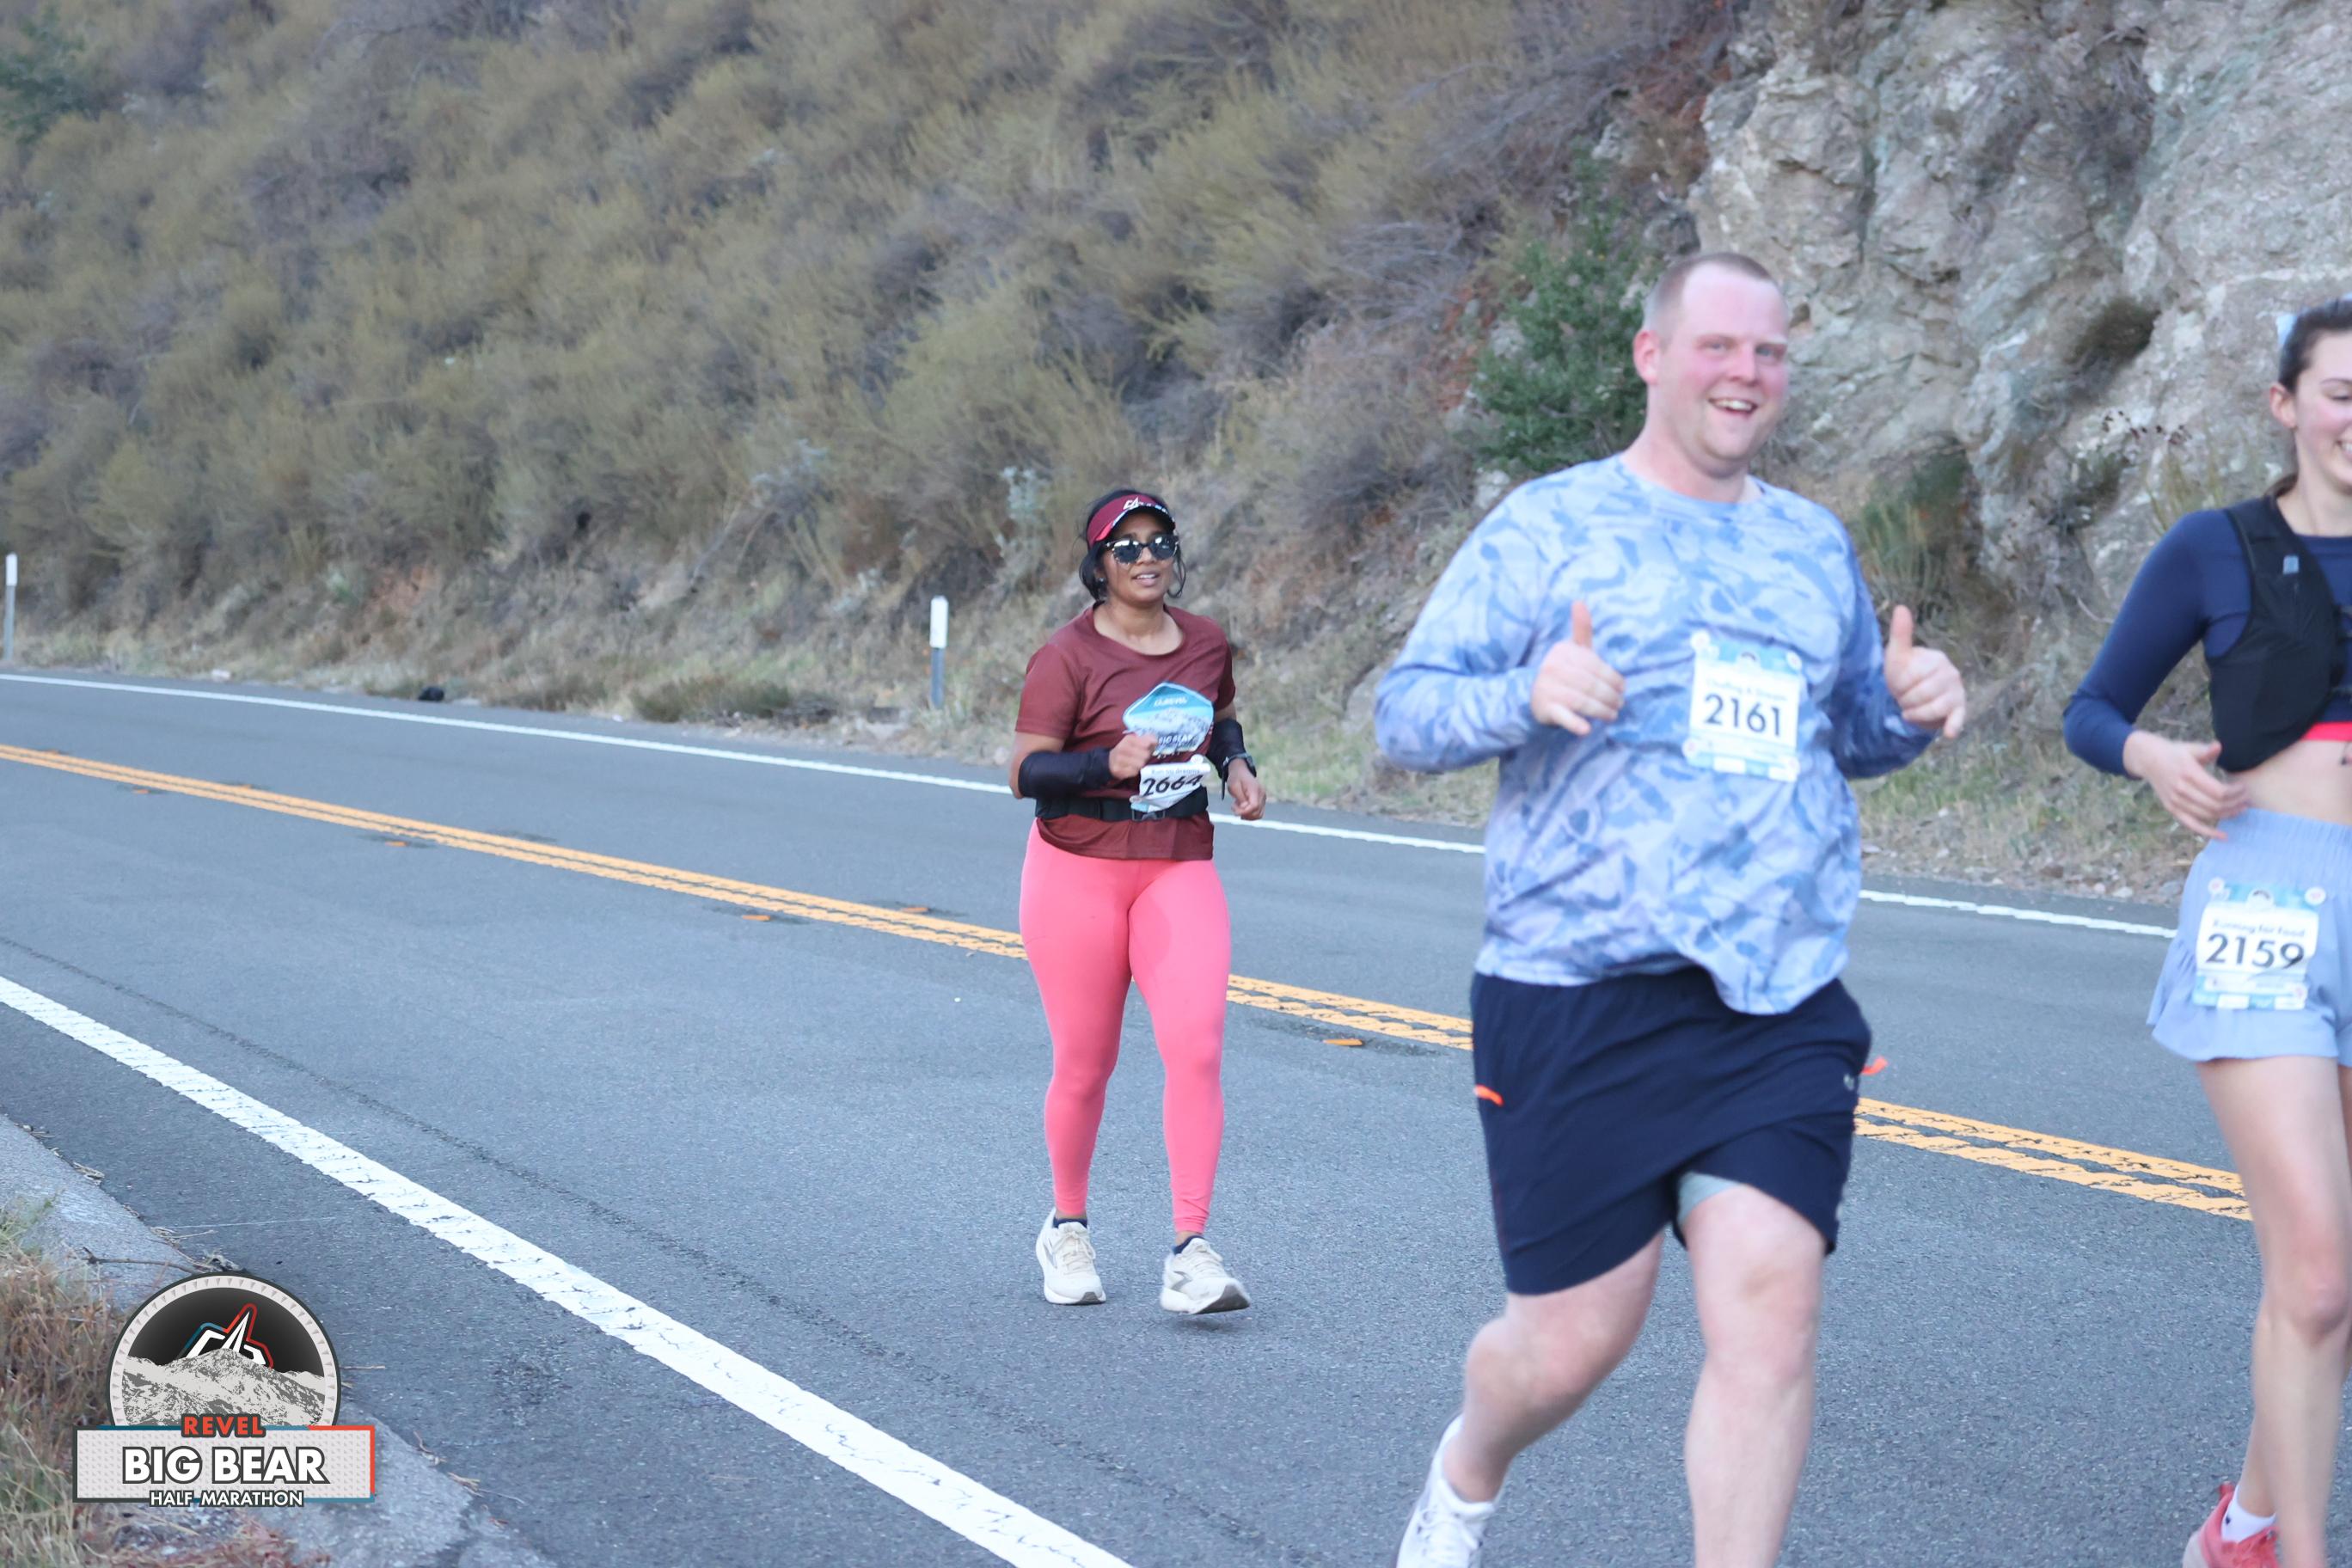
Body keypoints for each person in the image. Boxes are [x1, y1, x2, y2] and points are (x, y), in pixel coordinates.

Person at [1374, 252, 1965, 1566]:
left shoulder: (1809, 543)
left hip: (1776, 999)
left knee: (1772, 1310)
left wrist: (1911, 708)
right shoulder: (1549, 525)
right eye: (1719, 347)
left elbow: (1848, 735)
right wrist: (1524, 692)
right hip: (1575, 990)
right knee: (1569, 1346)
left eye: (1769, 353)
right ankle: (1466, 1473)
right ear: (1652, 356)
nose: (1746, 374)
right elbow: (1403, 715)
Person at [2064, 293, 2352, 1568]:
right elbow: (2092, 709)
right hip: (2266, 898)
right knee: (2320, 1275)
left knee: (2334, 1287)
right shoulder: (2216, 547)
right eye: (2341, 392)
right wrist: (2152, 756)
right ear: (2288, 406)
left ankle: (2244, 1528)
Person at [1008, 487, 1268, 1314]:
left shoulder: (1206, 642)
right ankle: (1067, 1227)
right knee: (1086, 1064)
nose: (1147, 557)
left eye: (1160, 543)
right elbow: (1024, 771)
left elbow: (1220, 719)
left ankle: (1191, 1250)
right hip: (1076, 867)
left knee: (1197, 1048)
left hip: (1177, 863)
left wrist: (1236, 766)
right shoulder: (1066, 656)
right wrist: (1104, 765)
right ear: (1099, 565)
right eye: (1127, 547)